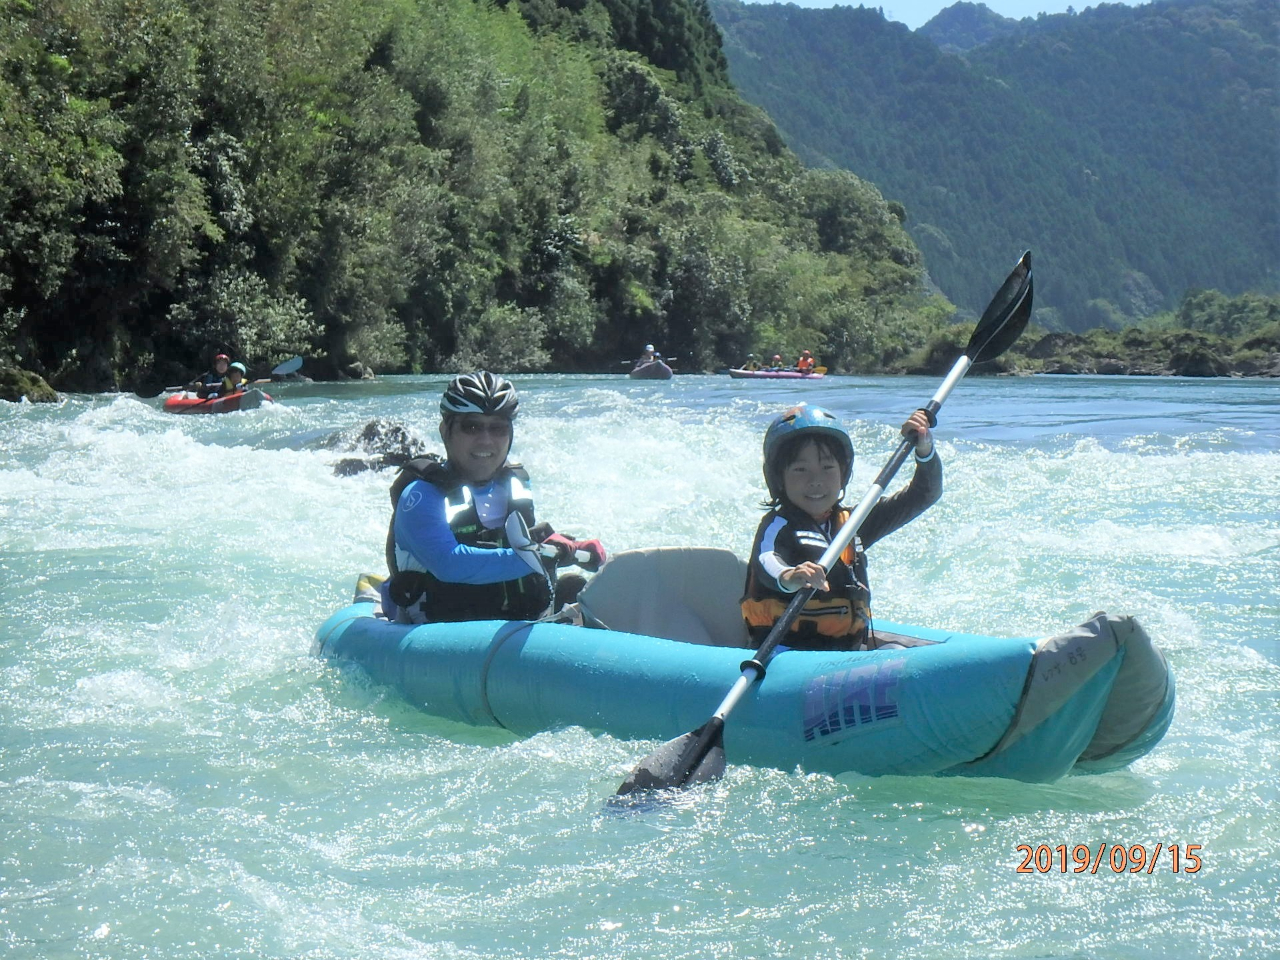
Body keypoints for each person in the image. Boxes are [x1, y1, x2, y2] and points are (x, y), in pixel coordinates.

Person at [382, 371, 607, 624]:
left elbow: (521, 544)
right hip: (441, 633)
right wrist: (540, 556)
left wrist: (569, 548)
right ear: (446, 431)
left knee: (585, 593)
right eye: (472, 426)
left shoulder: (516, 484)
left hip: (516, 626)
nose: (485, 440)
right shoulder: (422, 495)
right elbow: (449, 563)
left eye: (498, 428)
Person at [741, 403, 941, 651]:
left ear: (843, 473)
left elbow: (924, 494)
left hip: (846, 650)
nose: (816, 481)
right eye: (800, 470)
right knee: (895, 654)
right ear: (778, 478)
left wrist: (924, 449)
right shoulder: (777, 525)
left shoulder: (853, 523)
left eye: (827, 468)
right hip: (784, 653)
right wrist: (790, 576)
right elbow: (767, 561)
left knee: (903, 653)